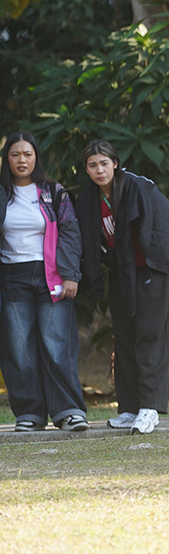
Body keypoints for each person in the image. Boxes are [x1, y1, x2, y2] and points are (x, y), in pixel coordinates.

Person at [77, 140, 169, 434]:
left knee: (150, 336)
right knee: (124, 337)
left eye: (104, 163)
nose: (99, 170)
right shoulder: (88, 200)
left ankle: (150, 408)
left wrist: (163, 259)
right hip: (122, 273)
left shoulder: (137, 187)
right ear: (86, 170)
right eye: (93, 165)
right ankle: (129, 408)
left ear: (115, 163)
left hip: (151, 269)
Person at [0, 131, 88, 432]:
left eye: (27, 154)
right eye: (15, 154)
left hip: (51, 276)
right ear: (7, 159)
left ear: (36, 157)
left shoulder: (53, 192)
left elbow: (71, 234)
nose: (21, 160)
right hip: (11, 278)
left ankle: (69, 411)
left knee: (57, 346)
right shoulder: (2, 193)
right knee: (19, 349)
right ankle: (30, 414)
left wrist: (71, 275)